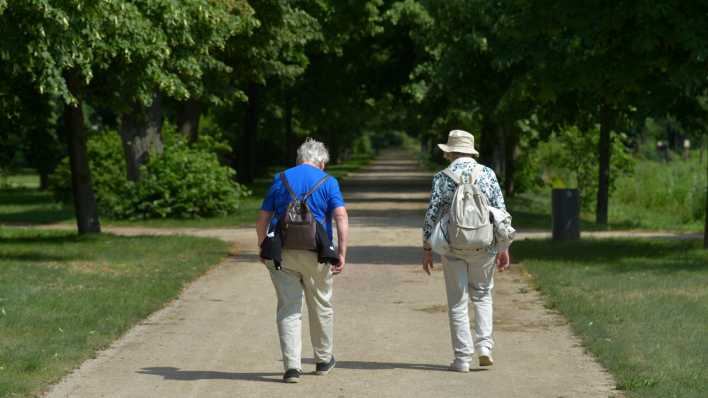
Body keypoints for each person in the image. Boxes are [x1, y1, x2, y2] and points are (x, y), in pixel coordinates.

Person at [256, 138, 349, 383]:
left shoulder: (281, 179)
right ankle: (323, 359)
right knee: (321, 305)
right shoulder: (329, 182)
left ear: (300, 158)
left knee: (289, 307)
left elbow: (263, 218)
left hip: (283, 253)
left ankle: (292, 367)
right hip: (317, 252)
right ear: (321, 161)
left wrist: (262, 246)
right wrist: (342, 251)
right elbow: (341, 218)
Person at [422, 129, 510, 372]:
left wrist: (427, 247)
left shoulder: (442, 177)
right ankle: (484, 347)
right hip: (485, 244)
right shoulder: (488, 174)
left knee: (457, 301)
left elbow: (432, 214)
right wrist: (503, 246)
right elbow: (500, 211)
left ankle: (462, 359)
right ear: (470, 151)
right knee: (482, 295)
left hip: (453, 245)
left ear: (450, 152)